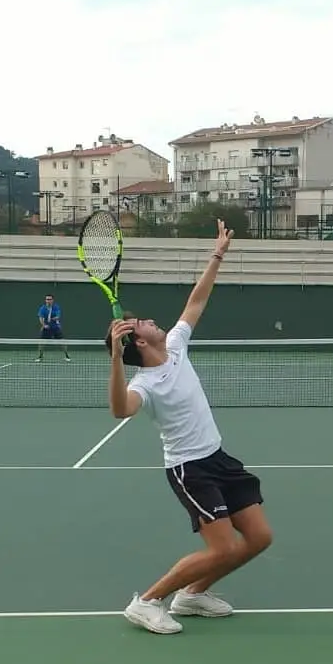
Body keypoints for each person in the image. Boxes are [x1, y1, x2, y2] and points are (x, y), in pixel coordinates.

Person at [105, 219, 273, 635]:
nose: (152, 321)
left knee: (258, 538)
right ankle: (145, 602)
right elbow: (121, 410)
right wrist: (113, 360)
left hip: (217, 456)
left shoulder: (177, 345)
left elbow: (197, 301)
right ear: (139, 343)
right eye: (143, 323)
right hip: (190, 468)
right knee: (221, 547)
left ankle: (193, 595)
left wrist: (218, 254)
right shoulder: (144, 382)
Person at [36, 294, 70, 361]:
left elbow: (58, 316)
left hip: (55, 327)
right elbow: (40, 318)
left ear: (52, 300)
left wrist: (52, 319)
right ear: (45, 300)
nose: (48, 301)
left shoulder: (56, 307)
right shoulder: (42, 308)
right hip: (46, 328)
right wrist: (44, 325)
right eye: (47, 299)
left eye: (50, 299)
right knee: (41, 343)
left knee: (62, 342)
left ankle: (67, 356)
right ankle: (40, 356)